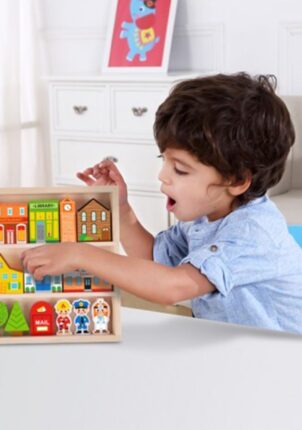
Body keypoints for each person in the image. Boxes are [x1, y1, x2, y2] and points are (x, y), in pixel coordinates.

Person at [22, 73, 302, 334]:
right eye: (164, 160)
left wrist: (81, 255)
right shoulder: (205, 217)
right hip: (232, 345)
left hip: (282, 357)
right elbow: (153, 259)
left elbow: (172, 287)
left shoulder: (252, 233)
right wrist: (121, 210)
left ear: (237, 180)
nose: (163, 175)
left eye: (180, 169)